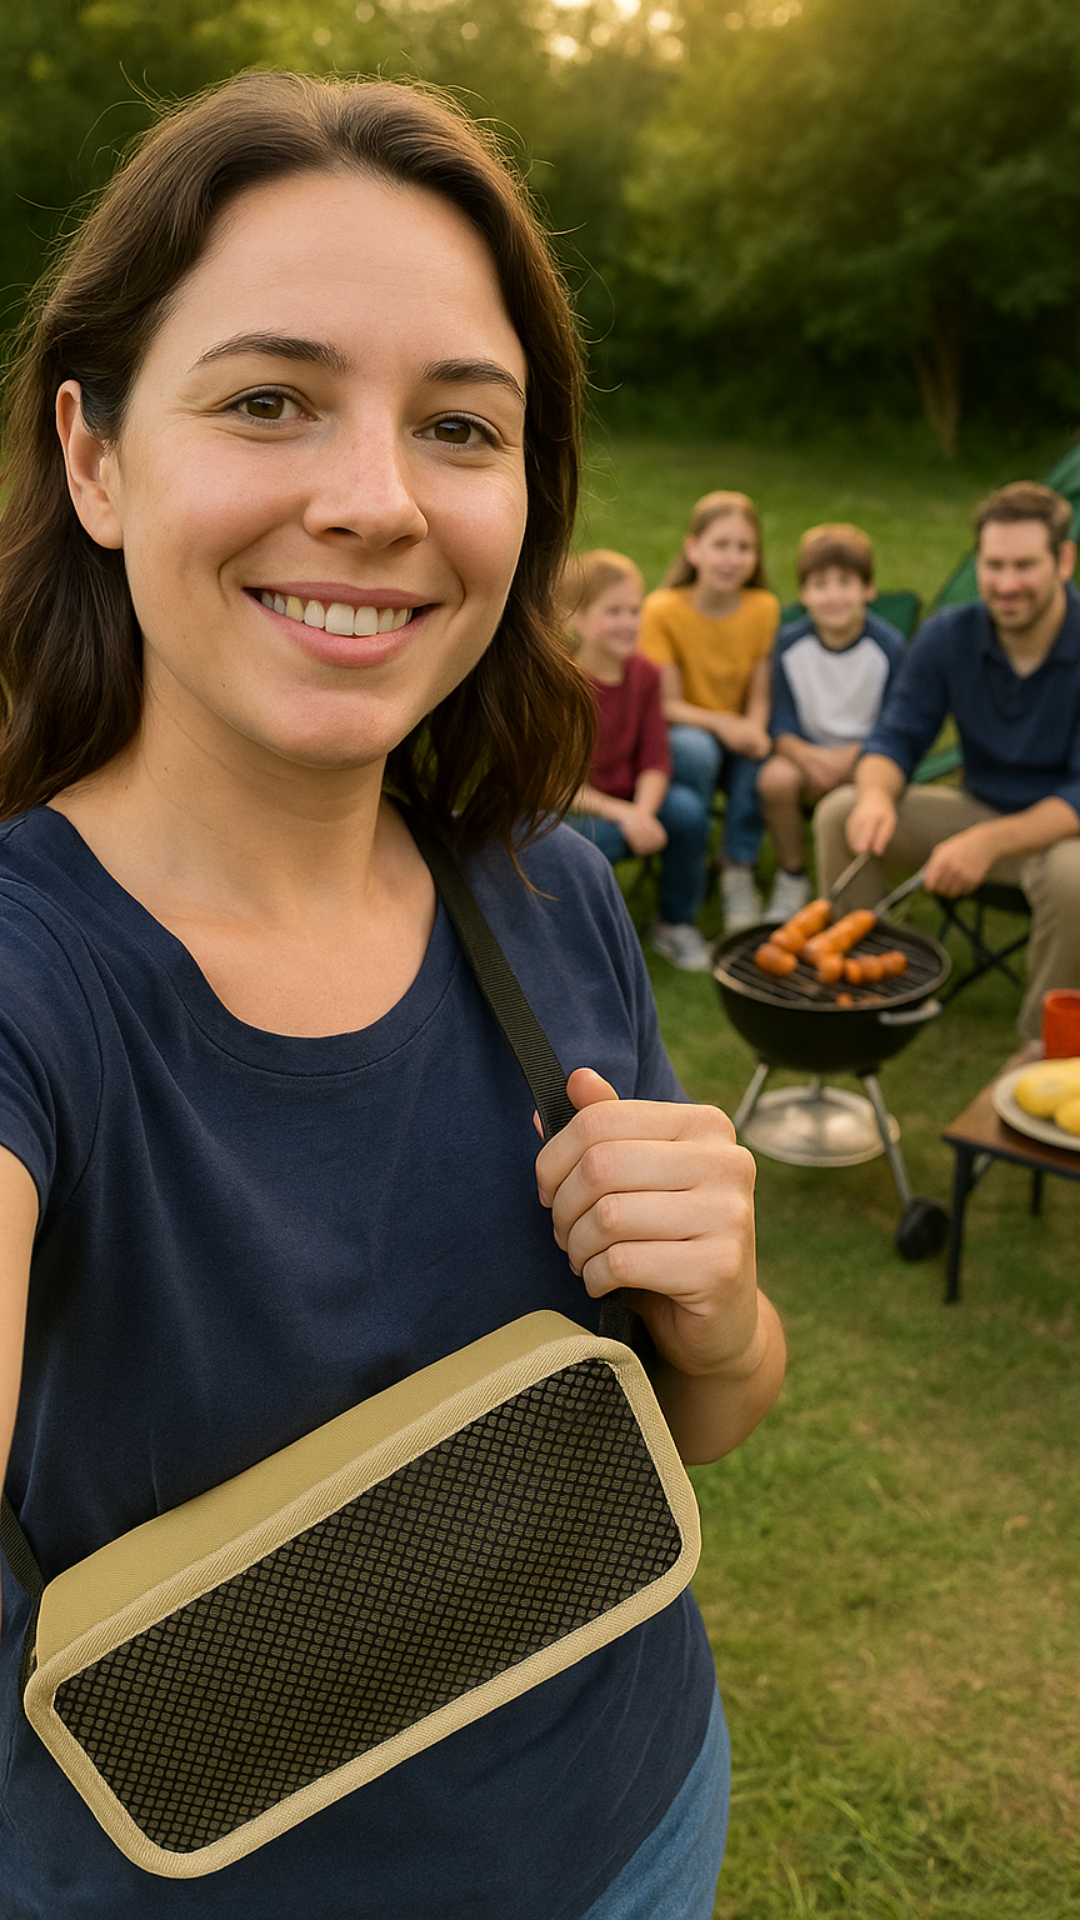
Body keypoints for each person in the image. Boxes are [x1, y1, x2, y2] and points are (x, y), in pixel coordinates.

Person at [0, 72, 785, 1920]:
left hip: (642, 1814)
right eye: (269, 400)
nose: (376, 502)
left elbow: (700, 1415)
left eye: (458, 426)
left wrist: (726, 1310)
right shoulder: (33, 985)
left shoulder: (555, 895)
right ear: (96, 457)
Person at [814, 482, 1080, 1037]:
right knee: (841, 812)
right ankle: (867, 996)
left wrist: (987, 843)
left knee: (1074, 876)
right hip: (977, 807)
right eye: (994, 565)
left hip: (1060, 835)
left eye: (1025, 566)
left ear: (1064, 561)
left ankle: (1045, 1046)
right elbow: (895, 736)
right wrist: (876, 796)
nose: (1007, 584)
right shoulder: (949, 635)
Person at [562, 549, 713, 971]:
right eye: (613, 612)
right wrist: (626, 816)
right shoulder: (563, 684)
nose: (628, 622)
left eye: (634, 610)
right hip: (573, 808)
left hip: (631, 799)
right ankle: (577, 939)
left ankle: (675, 922)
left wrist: (643, 812)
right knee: (584, 847)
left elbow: (654, 761)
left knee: (686, 811)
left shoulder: (645, 673)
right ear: (576, 618)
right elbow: (554, 787)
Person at [639, 492, 780, 934]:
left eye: (744, 547)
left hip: (736, 734)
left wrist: (753, 729)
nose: (732, 559)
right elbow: (667, 706)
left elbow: (760, 695)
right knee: (697, 750)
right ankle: (690, 861)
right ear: (693, 548)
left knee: (761, 752)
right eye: (721, 545)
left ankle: (737, 867)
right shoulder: (663, 610)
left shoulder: (763, 609)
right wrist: (725, 724)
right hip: (686, 732)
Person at [758, 524, 904, 921]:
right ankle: (792, 874)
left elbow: (896, 723)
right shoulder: (788, 646)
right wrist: (810, 759)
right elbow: (780, 724)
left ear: (868, 590)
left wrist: (850, 759)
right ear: (804, 593)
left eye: (845, 583)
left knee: (879, 784)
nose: (833, 596)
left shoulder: (888, 647)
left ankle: (861, 884)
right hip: (805, 756)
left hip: (866, 759)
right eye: (820, 585)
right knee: (773, 779)